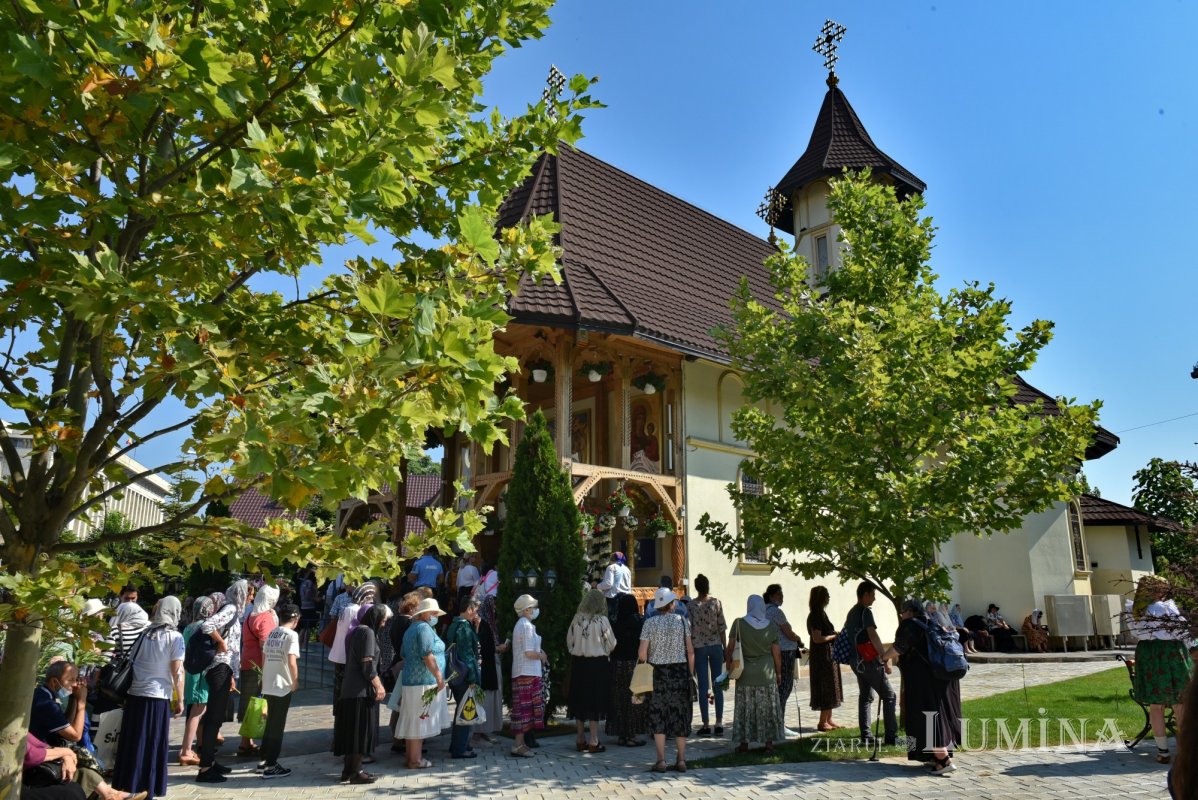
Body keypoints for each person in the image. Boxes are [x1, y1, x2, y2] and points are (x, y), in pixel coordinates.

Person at [112, 596, 184, 798]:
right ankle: (148, 786)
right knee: (152, 742)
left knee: (134, 742)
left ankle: (127, 784)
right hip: (157, 696)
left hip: (135, 695)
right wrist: (180, 698)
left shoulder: (144, 634)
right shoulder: (175, 637)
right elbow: (177, 671)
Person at [881, 599, 962, 775]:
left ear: (909, 611)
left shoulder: (910, 624)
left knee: (927, 714)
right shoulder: (932, 622)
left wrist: (884, 657)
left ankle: (943, 759)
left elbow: (899, 647)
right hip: (941, 677)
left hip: (924, 679)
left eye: (902, 612)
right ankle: (934, 757)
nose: (901, 615)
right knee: (939, 714)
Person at [1127, 575, 1192, 764]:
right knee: (1179, 703)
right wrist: (1193, 646)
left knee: (1156, 705)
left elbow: (1135, 633)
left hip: (1147, 655)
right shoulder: (1165, 607)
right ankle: (1184, 752)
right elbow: (1183, 631)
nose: (1165, 592)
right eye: (1162, 588)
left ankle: (1163, 751)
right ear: (1153, 590)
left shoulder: (1134, 610)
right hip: (1170, 653)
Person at [196, 579, 250, 784]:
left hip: (225, 668)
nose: (251, 597)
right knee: (213, 717)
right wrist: (220, 642)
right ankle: (205, 768)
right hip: (219, 667)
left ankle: (210, 760)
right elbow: (208, 625)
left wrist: (233, 674)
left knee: (216, 717)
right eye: (249, 592)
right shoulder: (230, 608)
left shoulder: (234, 610)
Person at [334, 603, 392, 783]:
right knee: (360, 732)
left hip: (351, 689)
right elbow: (367, 664)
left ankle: (349, 771)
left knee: (353, 733)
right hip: (360, 691)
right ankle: (356, 771)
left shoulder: (357, 630)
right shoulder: (366, 633)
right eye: (383, 620)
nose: (383, 624)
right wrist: (379, 685)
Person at [638, 586, 694, 773]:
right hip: (679, 671)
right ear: (671, 604)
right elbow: (690, 651)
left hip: (658, 673)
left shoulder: (649, 624)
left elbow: (642, 654)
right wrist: (690, 673)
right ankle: (681, 760)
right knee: (680, 714)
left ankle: (661, 760)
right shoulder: (683, 621)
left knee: (658, 714)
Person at [396, 598, 449, 769]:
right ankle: (416, 760)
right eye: (433, 613)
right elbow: (427, 654)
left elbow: (404, 653)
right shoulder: (424, 628)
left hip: (411, 680)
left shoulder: (411, 628)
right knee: (419, 720)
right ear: (424, 613)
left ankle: (411, 758)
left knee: (413, 720)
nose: (435, 616)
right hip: (424, 681)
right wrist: (439, 677)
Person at [727, 595, 783, 754]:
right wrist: (779, 673)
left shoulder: (739, 623)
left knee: (746, 709)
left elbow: (730, 648)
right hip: (767, 673)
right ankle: (769, 744)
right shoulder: (771, 626)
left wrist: (728, 668)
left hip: (745, 674)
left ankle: (744, 745)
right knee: (767, 709)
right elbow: (777, 654)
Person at [843, 581, 897, 745]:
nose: (874, 599)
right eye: (872, 595)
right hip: (867, 661)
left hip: (856, 660)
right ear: (865, 594)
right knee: (889, 695)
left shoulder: (852, 612)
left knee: (865, 697)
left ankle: (866, 736)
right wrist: (885, 656)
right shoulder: (865, 612)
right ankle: (891, 737)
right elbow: (873, 635)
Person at [22, 732, 143, 800]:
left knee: (83, 771)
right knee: (74, 790)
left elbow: (39, 744)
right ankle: (112, 795)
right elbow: (75, 734)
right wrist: (80, 702)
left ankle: (111, 794)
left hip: (32, 770)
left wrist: (65, 754)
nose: (77, 685)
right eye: (73, 684)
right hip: (21, 780)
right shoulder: (44, 699)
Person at [567, 589, 616, 752]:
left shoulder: (577, 618)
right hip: (597, 665)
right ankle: (594, 740)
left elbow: (569, 642)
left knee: (580, 699)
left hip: (579, 663)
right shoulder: (602, 620)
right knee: (594, 700)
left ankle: (580, 738)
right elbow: (612, 643)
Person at [179, 593, 222, 766]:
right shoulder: (206, 627)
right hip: (201, 674)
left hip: (190, 672)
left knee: (194, 711)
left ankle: (188, 749)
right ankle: (186, 750)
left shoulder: (189, 627)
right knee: (197, 712)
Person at [259, 603, 302, 779]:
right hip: (282, 684)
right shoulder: (291, 635)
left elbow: (264, 656)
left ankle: (264, 759)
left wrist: (264, 676)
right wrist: (295, 680)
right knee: (277, 725)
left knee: (269, 724)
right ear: (296, 619)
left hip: (269, 682)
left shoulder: (272, 632)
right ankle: (271, 765)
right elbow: (291, 660)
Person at [237, 583, 279, 757]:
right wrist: (268, 670)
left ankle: (246, 742)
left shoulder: (250, 615)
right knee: (260, 704)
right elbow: (265, 646)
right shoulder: (265, 617)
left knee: (249, 702)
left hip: (247, 662)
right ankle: (256, 742)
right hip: (260, 665)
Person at [385, 589, 427, 749]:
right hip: (406, 664)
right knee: (405, 704)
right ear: (412, 607)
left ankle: (397, 738)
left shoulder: (397, 620)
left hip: (397, 662)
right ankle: (405, 739)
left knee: (399, 704)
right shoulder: (410, 623)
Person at [607, 592, 648, 747]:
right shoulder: (639, 622)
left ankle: (622, 734)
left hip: (617, 665)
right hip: (634, 665)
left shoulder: (615, 623)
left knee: (620, 700)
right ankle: (632, 735)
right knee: (635, 700)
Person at [509, 593, 548, 757]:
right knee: (523, 710)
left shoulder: (524, 624)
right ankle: (518, 745)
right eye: (532, 607)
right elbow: (528, 652)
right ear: (525, 610)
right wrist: (541, 656)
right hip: (526, 672)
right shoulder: (525, 625)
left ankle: (521, 744)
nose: (535, 610)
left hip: (527, 671)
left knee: (524, 710)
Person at [688, 574, 727, 736]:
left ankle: (705, 724)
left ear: (696, 587)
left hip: (699, 647)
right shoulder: (716, 603)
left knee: (703, 686)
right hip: (716, 645)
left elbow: (688, 630)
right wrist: (725, 648)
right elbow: (722, 627)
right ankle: (719, 722)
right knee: (718, 684)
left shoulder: (691, 606)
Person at [329, 583, 376, 714]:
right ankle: (342, 716)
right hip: (345, 656)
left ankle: (340, 715)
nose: (371, 602)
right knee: (344, 690)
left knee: (340, 689)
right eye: (369, 598)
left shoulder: (348, 608)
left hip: (340, 655)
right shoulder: (355, 610)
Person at [444, 597, 483, 759]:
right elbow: (468, 655)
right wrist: (473, 678)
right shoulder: (464, 627)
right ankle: (460, 748)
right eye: (475, 610)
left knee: (460, 710)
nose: (476, 613)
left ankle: (457, 745)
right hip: (465, 675)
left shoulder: (454, 624)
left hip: (455, 673)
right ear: (468, 609)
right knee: (466, 712)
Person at [763, 584, 804, 736]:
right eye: (779, 595)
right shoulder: (776, 611)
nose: (782, 597)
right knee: (785, 687)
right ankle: (779, 724)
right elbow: (788, 632)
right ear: (772, 596)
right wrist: (798, 639)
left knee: (777, 688)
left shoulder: (763, 610)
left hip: (771, 652)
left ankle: (774, 722)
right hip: (785, 652)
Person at [806, 585, 843, 731]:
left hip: (828, 655)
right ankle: (822, 722)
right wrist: (834, 636)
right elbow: (817, 638)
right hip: (822, 657)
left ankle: (829, 718)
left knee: (832, 685)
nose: (829, 597)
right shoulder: (816, 615)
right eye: (827, 595)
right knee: (826, 686)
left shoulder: (821, 613)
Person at [474, 593, 508, 745]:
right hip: (486, 668)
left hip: (490, 666)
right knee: (484, 699)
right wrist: (498, 648)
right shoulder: (482, 624)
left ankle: (484, 732)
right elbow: (483, 647)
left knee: (489, 699)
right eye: (492, 605)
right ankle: (478, 733)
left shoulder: (488, 623)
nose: (494, 608)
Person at [597, 552, 632, 617]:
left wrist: (597, 586)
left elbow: (608, 584)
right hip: (626, 599)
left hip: (613, 599)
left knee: (612, 621)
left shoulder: (611, 567)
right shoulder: (627, 569)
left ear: (611, 559)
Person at [298, 569, 319, 643]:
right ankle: (305, 645)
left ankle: (300, 645)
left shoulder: (303, 582)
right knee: (308, 627)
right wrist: (315, 598)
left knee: (304, 627)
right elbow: (307, 595)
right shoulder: (310, 583)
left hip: (303, 606)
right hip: (310, 606)